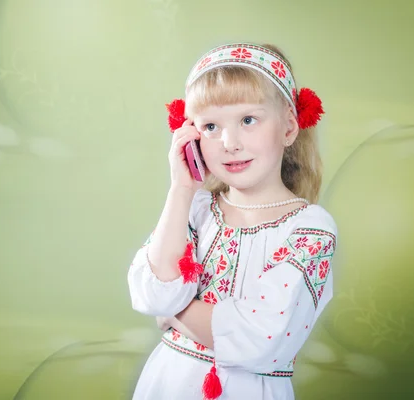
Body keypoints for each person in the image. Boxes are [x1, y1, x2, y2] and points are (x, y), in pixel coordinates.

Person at [127, 42, 337, 400]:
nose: (229, 142)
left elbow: (261, 337)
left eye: (248, 120)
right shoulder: (196, 208)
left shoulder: (310, 228)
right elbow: (149, 291)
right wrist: (181, 187)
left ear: (289, 126)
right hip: (167, 384)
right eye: (210, 126)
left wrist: (174, 310)